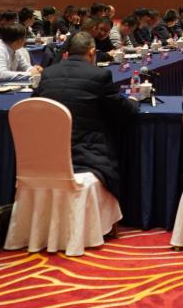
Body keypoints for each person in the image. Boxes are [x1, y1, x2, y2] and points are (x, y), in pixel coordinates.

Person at [35, 30, 139, 198]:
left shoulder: (48, 73)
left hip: (47, 153)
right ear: (92, 52)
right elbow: (124, 111)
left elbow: (34, 105)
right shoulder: (99, 75)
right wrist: (134, 100)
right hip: (86, 156)